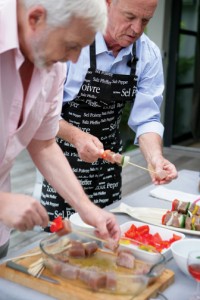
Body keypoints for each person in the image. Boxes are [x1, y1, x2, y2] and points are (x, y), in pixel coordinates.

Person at [0, 0, 121, 259]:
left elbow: (43, 143)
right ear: (35, 19)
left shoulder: (55, 65)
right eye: (72, 45)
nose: (75, 59)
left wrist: (86, 209)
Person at [41, 0, 178, 223]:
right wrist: (77, 136)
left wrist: (155, 157)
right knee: (62, 243)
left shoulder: (148, 55)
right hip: (62, 163)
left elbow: (147, 118)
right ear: (107, 4)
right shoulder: (74, 43)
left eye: (145, 20)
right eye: (129, 17)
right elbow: (43, 113)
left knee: (108, 236)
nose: (137, 29)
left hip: (109, 168)